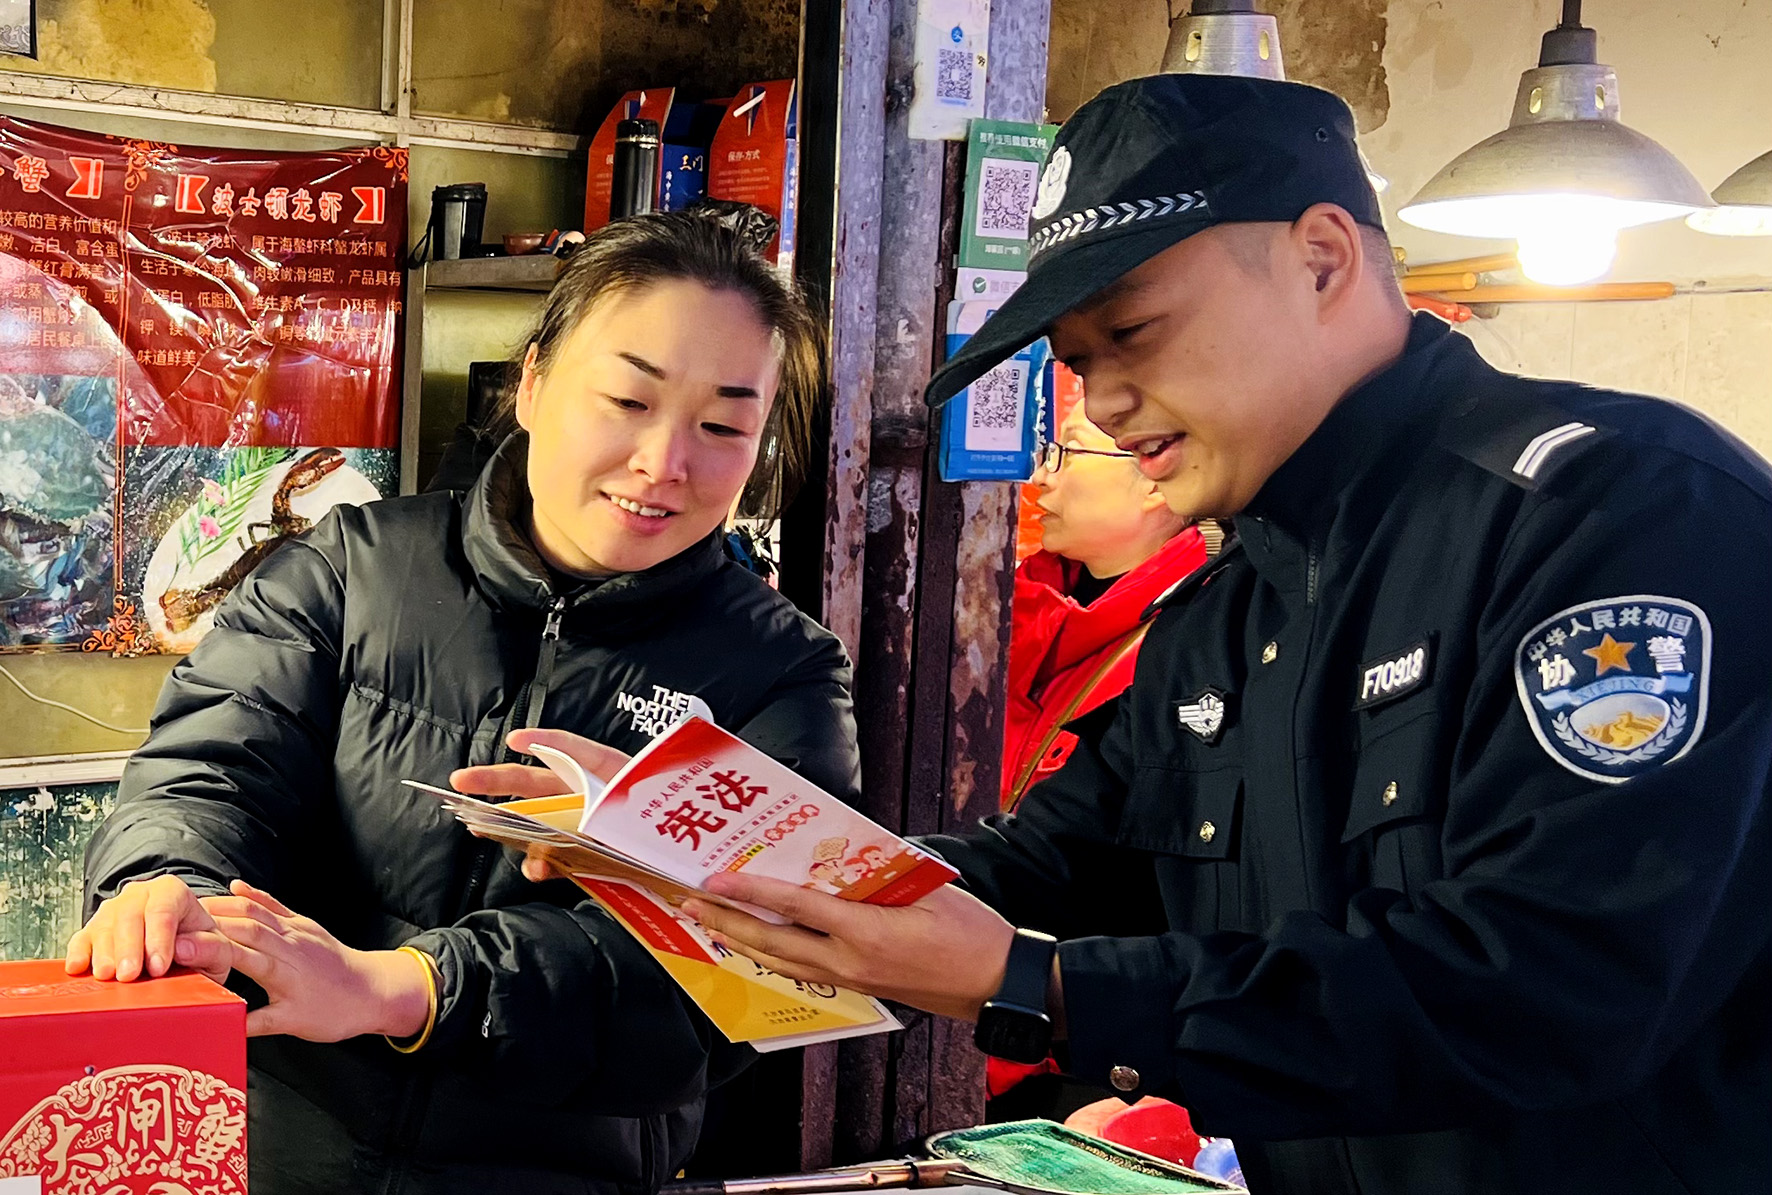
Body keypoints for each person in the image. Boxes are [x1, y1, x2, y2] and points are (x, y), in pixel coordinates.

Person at [670, 76, 1772, 1195]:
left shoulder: (1619, 517)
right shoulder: (1220, 615)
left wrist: (1038, 983)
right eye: (1078, 360)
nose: (1102, 403)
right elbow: (1053, 866)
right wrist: (711, 861)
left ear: (1322, 260)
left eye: (1131, 332)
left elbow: (1550, 987)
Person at [67, 212, 860, 1195]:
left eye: (723, 426)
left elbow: (729, 987)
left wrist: (415, 987)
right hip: (272, 1145)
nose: (664, 462)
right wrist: (163, 880)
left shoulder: (780, 673)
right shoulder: (350, 570)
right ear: (532, 383)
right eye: (628, 399)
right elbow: (209, 773)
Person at [1003, 410, 1210, 810]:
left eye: (1068, 452)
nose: (1041, 476)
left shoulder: (1189, 644)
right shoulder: (1018, 604)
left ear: (1154, 482)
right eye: (1050, 451)